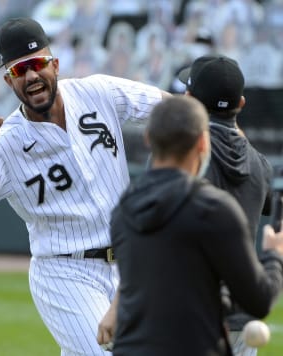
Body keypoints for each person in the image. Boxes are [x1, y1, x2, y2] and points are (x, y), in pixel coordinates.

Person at [0, 17, 170, 355]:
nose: (32, 75)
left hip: (128, 262)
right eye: (20, 70)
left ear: (55, 64)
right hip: (65, 270)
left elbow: (173, 108)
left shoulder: (96, 91)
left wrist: (224, 127)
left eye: (37, 64)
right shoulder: (6, 141)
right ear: (9, 81)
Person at [107, 95, 283, 356]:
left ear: (148, 139)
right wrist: (273, 254)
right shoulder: (215, 209)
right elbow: (258, 300)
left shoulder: (122, 211)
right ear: (202, 143)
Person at [178, 55, 274, 356]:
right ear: (241, 104)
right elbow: (269, 203)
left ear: (190, 99)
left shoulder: (182, 155)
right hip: (242, 312)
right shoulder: (260, 165)